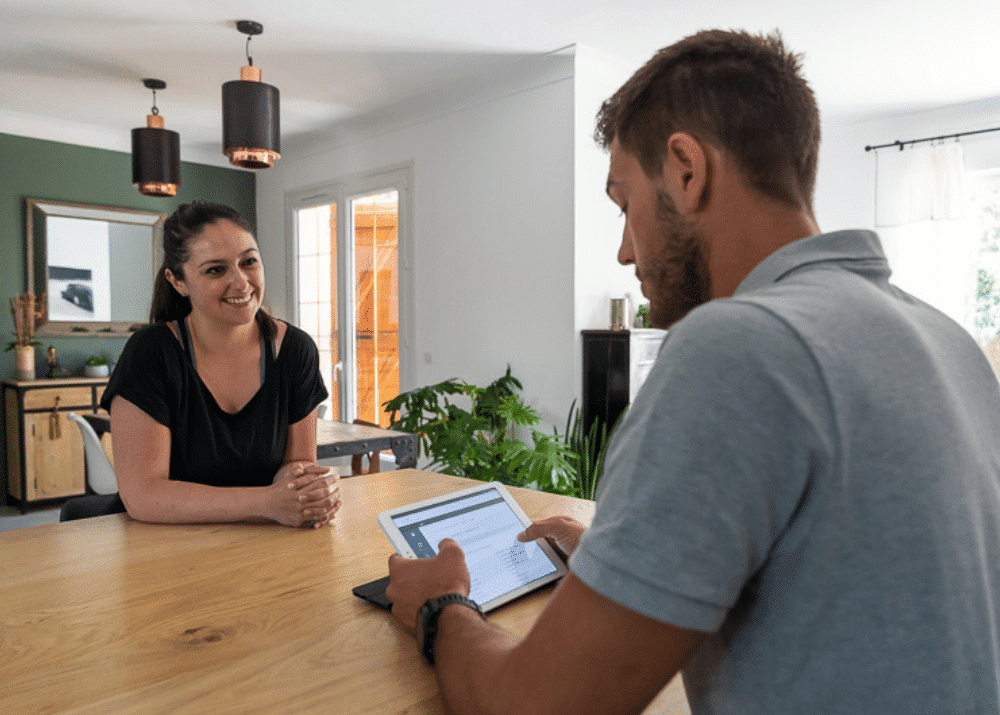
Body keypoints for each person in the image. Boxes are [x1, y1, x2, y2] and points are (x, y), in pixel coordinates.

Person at [385, 30, 1000, 714]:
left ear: (686, 169)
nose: (624, 250)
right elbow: (858, 588)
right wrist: (622, 556)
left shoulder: (738, 345)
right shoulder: (948, 341)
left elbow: (534, 706)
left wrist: (443, 605)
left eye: (625, 206)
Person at [101, 201, 341, 528]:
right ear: (178, 281)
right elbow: (143, 495)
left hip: (261, 544)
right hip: (161, 550)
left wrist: (303, 490)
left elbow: (296, 462)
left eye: (249, 262)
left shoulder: (296, 350)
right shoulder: (151, 353)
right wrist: (268, 502)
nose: (241, 283)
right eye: (216, 269)